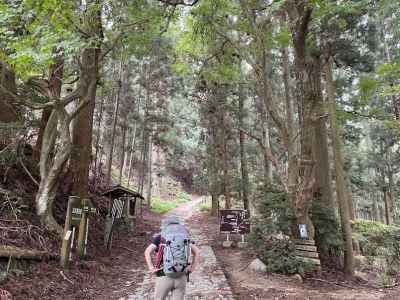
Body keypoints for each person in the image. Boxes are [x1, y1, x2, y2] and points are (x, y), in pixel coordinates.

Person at [144, 216, 200, 300]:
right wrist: (192, 268)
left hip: (164, 275)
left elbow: (147, 251)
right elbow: (197, 252)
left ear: (165, 225)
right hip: (181, 275)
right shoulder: (185, 237)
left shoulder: (160, 237)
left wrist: (151, 268)